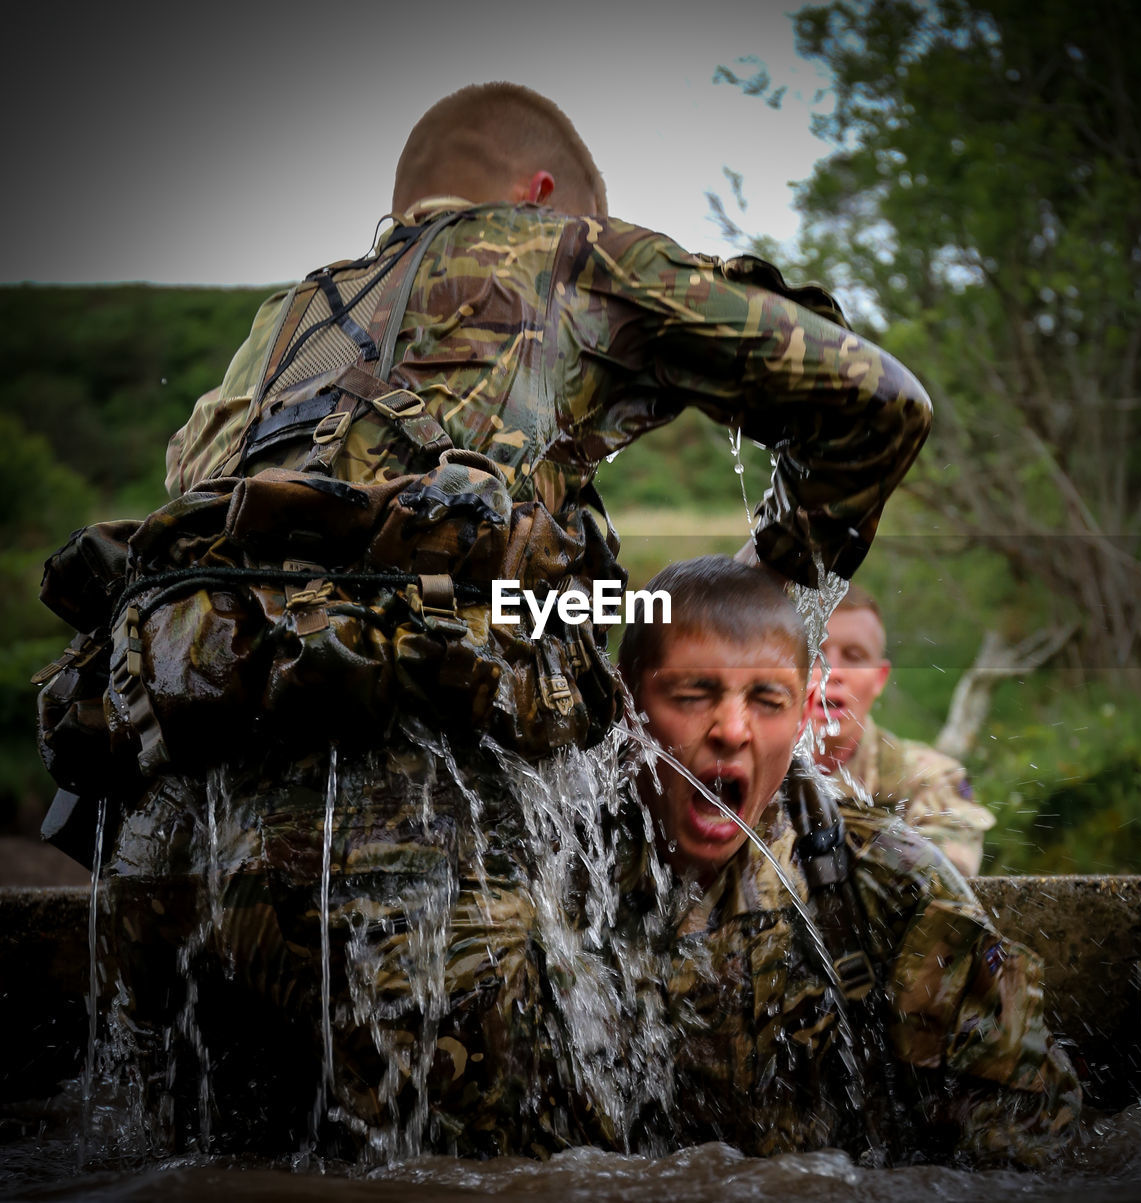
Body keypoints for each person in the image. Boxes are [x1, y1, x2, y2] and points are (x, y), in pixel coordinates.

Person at [37, 82, 933, 1157]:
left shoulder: (283, 328)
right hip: (400, 825)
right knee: (479, 1182)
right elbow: (875, 399)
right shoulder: (569, 254)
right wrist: (775, 577)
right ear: (542, 194)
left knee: (204, 1169)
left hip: (160, 834)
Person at [617, 555, 1081, 1165]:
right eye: (692, 692)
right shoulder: (553, 876)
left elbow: (1031, 1150)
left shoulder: (889, 879)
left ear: (801, 703)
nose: (731, 729)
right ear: (628, 703)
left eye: (766, 698)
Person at [807, 585, 995, 875]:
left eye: (854, 656)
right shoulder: (742, 776)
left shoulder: (931, 779)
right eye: (814, 654)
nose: (832, 672)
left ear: (879, 678)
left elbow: (945, 881)